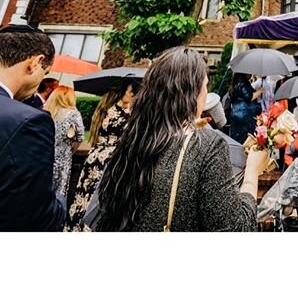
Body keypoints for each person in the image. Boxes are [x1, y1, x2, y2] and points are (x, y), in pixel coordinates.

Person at [96, 47, 270, 231]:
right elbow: (235, 229)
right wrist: (252, 171)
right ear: (193, 94)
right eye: (205, 86)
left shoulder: (134, 137)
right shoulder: (208, 145)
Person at [0, 24, 65, 231]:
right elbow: (35, 216)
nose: (39, 83)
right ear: (35, 63)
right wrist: (61, 202)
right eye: (44, 73)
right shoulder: (28, 121)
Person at [65, 80, 135, 231]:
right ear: (121, 93)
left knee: (83, 197)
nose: (133, 94)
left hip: (95, 157)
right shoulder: (120, 115)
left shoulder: (105, 110)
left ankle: (74, 227)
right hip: (106, 162)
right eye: (130, 91)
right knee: (95, 200)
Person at [44, 85, 84, 198]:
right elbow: (80, 137)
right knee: (60, 190)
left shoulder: (46, 110)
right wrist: (72, 150)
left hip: (45, 154)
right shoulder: (73, 114)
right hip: (63, 155)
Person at [228, 72, 263, 144]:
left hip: (235, 113)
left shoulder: (235, 83)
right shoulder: (244, 83)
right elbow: (248, 97)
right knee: (246, 140)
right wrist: (259, 91)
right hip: (245, 115)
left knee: (236, 139)